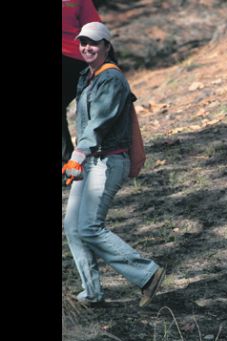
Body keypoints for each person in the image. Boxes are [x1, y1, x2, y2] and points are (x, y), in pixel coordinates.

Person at [63, 22, 166, 307]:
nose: (87, 47)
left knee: (89, 227)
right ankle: (92, 292)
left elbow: (100, 121)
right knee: (72, 226)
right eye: (83, 42)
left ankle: (147, 274)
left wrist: (77, 155)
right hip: (88, 160)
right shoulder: (87, 75)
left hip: (107, 161)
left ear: (107, 46)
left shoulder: (112, 79)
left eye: (94, 42)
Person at [63, 0, 102, 165]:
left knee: (86, 107)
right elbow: (95, 28)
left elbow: (94, 27)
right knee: (87, 107)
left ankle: (69, 163)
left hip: (75, 58)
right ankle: (84, 158)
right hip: (79, 58)